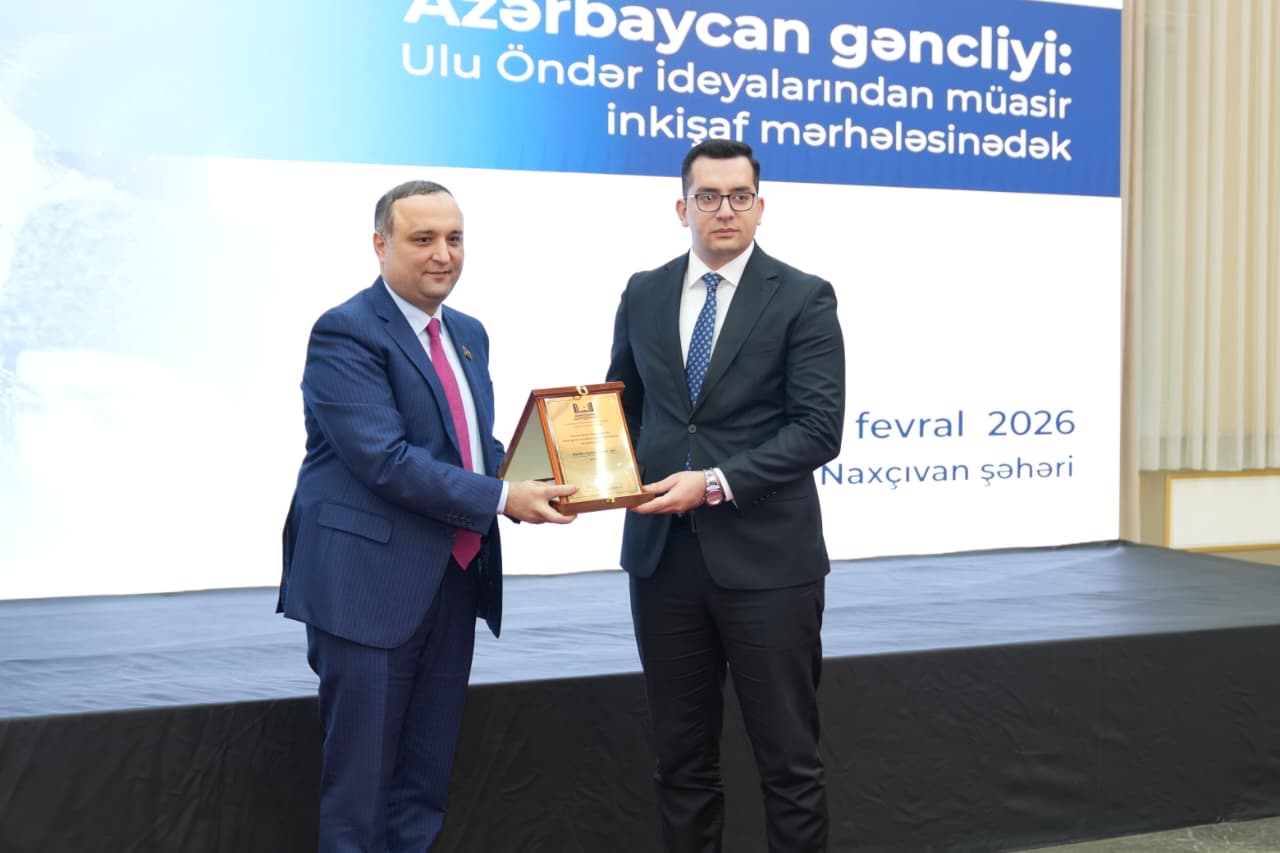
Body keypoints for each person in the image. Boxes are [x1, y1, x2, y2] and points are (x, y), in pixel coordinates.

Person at [278, 180, 577, 852]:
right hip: (369, 587)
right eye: (423, 239)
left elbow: (466, 444)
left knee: (423, 785)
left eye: (454, 238)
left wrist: (538, 474)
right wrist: (502, 497)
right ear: (380, 245)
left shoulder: (467, 333)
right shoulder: (346, 332)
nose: (443, 254)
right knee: (360, 793)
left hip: (452, 579)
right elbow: (384, 459)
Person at [607, 139, 846, 853]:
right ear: (682, 208)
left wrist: (713, 483)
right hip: (662, 561)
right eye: (707, 196)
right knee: (681, 761)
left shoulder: (803, 296)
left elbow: (818, 430)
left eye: (739, 196)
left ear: (760, 206)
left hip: (768, 563)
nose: (724, 210)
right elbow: (622, 409)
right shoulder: (643, 292)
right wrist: (588, 472)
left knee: (789, 763)